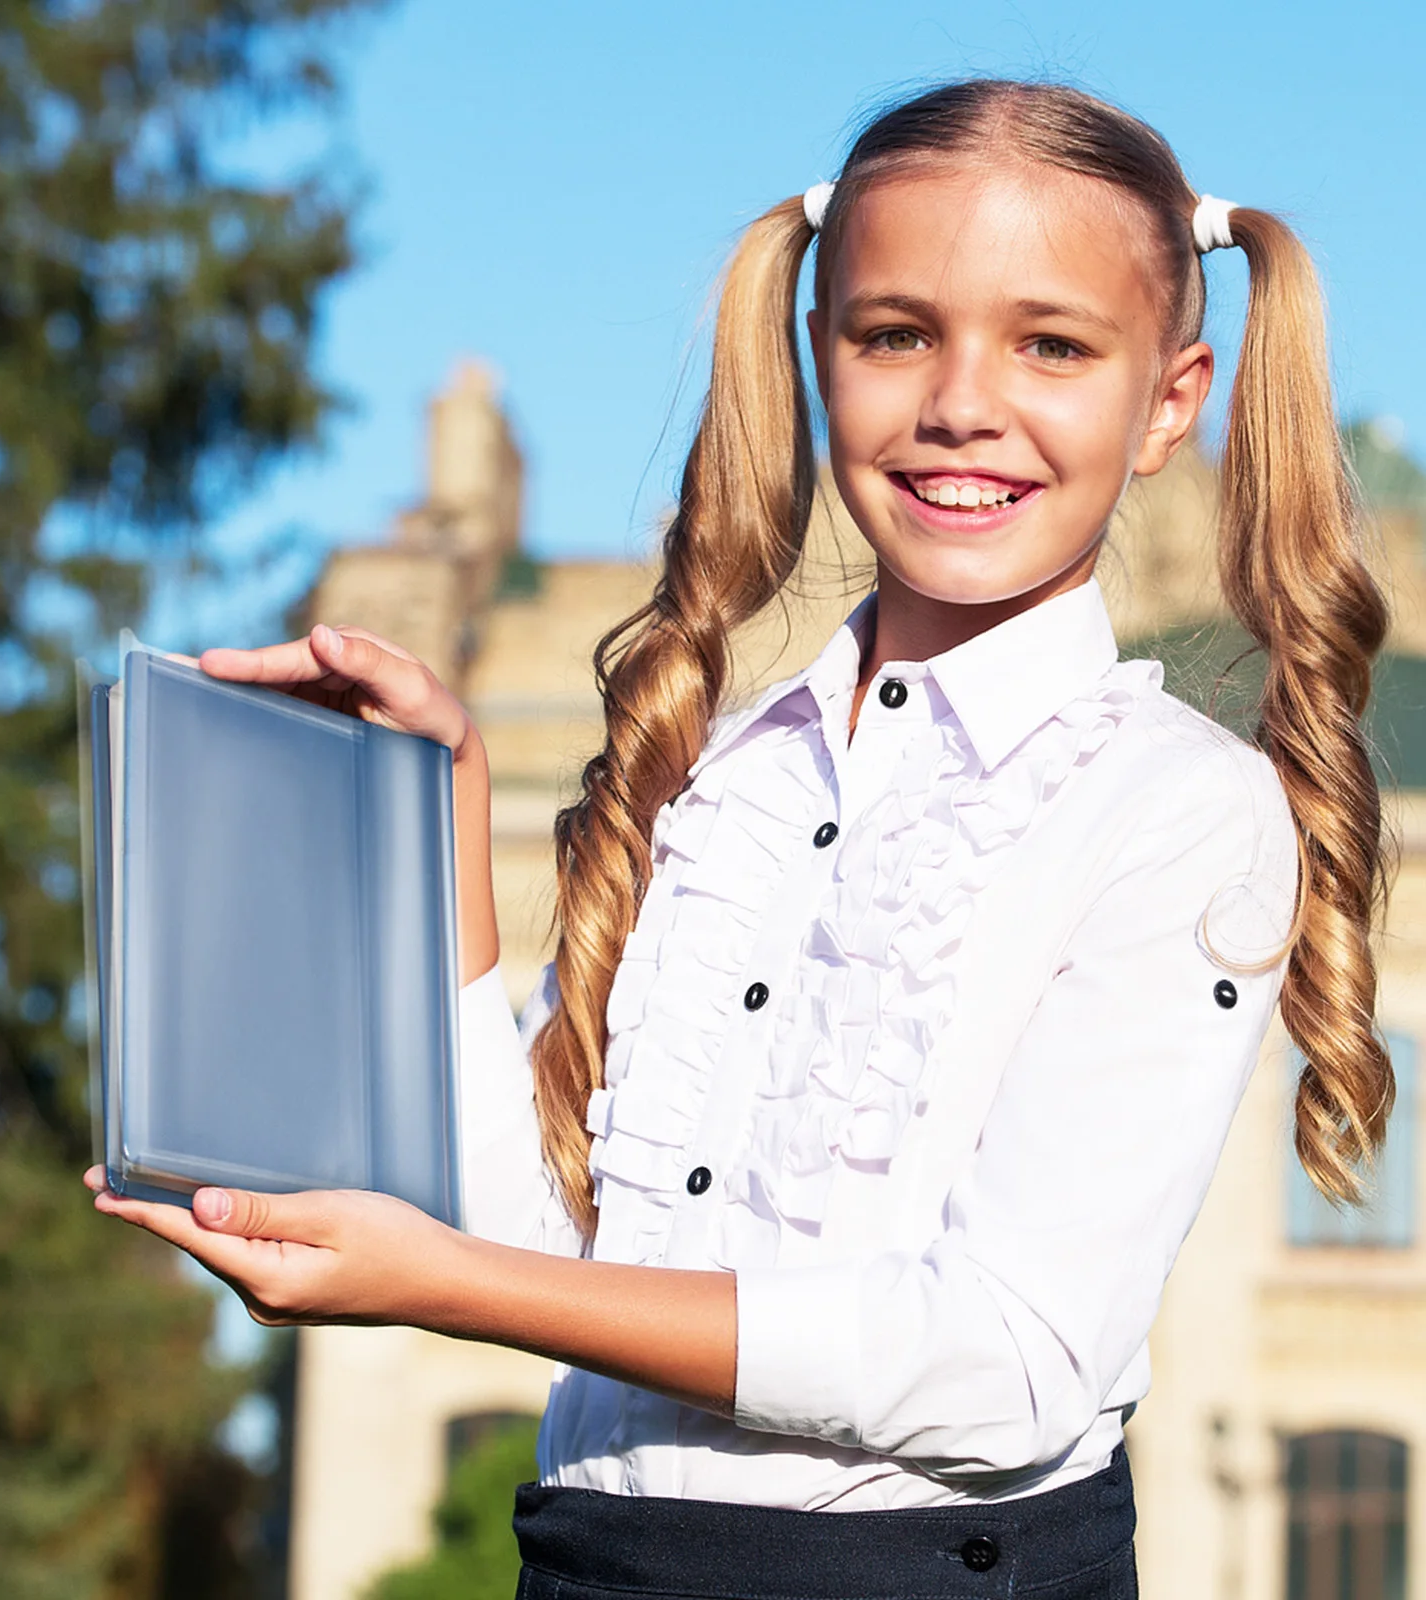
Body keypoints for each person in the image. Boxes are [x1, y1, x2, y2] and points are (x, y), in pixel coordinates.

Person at [89, 80, 1395, 1599]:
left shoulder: (1177, 808)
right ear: (817, 353)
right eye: (896, 333)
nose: (962, 400)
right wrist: (440, 808)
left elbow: (1010, 1366)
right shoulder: (729, 773)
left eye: (1050, 344)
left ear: (1171, 400)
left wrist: (456, 1289)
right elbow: (546, 1244)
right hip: (589, 1560)